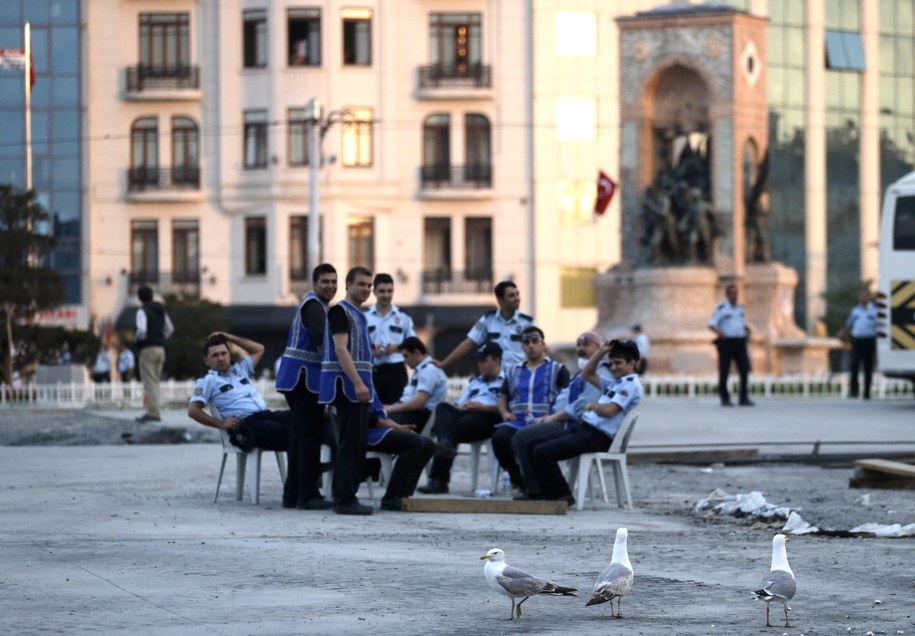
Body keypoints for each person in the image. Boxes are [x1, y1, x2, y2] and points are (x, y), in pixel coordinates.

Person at [518, 339, 643, 505]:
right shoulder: (616, 383)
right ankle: (539, 494)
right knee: (530, 445)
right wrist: (601, 352)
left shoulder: (631, 386)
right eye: (611, 364)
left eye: (618, 363)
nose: (613, 368)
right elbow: (587, 374)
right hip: (584, 430)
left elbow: (610, 411)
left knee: (542, 452)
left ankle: (563, 495)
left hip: (597, 437)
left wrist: (592, 405)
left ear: (632, 363)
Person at [510, 331, 610, 500]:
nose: (580, 348)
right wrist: (546, 415)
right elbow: (564, 396)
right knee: (523, 436)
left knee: (523, 438)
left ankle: (540, 491)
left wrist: (552, 418)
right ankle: (539, 490)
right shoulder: (582, 372)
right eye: (578, 344)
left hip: (580, 427)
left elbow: (582, 406)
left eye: (586, 343)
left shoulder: (601, 372)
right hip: (566, 421)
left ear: (599, 347)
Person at [275, 263, 338, 511]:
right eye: (325, 281)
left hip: (296, 380)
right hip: (304, 380)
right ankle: (308, 494)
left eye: (334, 282)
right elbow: (322, 343)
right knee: (309, 438)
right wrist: (332, 376)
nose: (330, 286)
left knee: (299, 437)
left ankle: (292, 494)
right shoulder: (314, 307)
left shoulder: (314, 305)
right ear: (314, 283)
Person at [319, 266, 376, 516]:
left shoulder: (358, 315)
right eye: (361, 284)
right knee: (349, 443)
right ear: (349, 284)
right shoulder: (341, 311)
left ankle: (348, 494)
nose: (366, 289)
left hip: (357, 388)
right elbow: (341, 350)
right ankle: (344, 498)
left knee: (356, 443)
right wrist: (357, 382)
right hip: (347, 387)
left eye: (368, 285)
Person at [417, 342, 506, 495]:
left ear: (497, 360)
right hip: (467, 416)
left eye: (483, 360)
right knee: (443, 408)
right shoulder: (475, 382)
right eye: (478, 361)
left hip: (490, 418)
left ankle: (438, 480)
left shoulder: (507, 380)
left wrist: (483, 407)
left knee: (448, 431)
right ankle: (445, 447)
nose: (479, 364)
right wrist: (463, 407)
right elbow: (458, 404)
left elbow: (507, 410)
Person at [491, 326, 570, 489]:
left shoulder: (558, 369)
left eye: (535, 341)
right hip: (518, 421)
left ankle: (537, 485)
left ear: (543, 344)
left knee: (528, 441)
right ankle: (519, 479)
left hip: (546, 422)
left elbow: (568, 398)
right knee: (499, 438)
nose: (531, 345)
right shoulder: (513, 370)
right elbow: (502, 397)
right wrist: (505, 413)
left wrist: (555, 417)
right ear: (522, 347)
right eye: (526, 342)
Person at [187, 333, 288, 452]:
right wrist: (221, 423)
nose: (221, 358)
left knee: (300, 418)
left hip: (265, 415)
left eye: (224, 353)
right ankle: (300, 469)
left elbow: (259, 349)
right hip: (247, 424)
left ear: (229, 355)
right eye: (215, 355)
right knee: (288, 431)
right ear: (206, 361)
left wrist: (230, 338)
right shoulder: (207, 380)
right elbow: (193, 410)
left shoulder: (240, 369)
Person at [434, 280, 535, 372]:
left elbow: (537, 348)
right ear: (500, 300)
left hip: (519, 377)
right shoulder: (488, 319)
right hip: (496, 379)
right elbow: (468, 343)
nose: (517, 298)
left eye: (517, 294)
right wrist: (444, 363)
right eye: (511, 296)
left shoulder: (527, 322)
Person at [366, 398, 435, 511]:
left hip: (379, 426)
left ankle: (403, 495)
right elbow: (368, 417)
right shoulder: (358, 384)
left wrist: (399, 427)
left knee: (428, 445)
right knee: (414, 442)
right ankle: (392, 497)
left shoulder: (368, 384)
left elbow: (382, 415)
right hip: (363, 430)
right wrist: (395, 427)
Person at [365, 273, 416, 405]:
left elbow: (413, 344)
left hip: (396, 372)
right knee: (373, 413)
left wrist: (397, 348)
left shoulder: (403, 316)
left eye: (389, 291)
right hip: (372, 371)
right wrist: (369, 350)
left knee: (395, 412)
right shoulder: (364, 316)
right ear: (374, 291)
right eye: (382, 291)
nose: (386, 295)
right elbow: (358, 344)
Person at [383, 336, 448, 434]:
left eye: (406, 356)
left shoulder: (429, 371)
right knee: (373, 416)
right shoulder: (421, 370)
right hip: (410, 413)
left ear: (416, 353)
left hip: (417, 416)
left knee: (374, 422)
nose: (404, 361)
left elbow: (417, 404)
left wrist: (390, 409)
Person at [708, 283, 753, 407]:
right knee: (724, 371)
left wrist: (747, 330)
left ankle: (743, 397)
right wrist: (720, 333)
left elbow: (741, 323)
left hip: (740, 342)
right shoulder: (721, 308)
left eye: (736, 293)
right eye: (732, 293)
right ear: (727, 295)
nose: (735, 296)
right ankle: (725, 398)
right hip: (727, 343)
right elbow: (711, 324)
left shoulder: (740, 308)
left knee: (744, 370)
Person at [134, 286, 174, 422]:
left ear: (140, 298)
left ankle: (153, 413)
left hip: (147, 349)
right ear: (152, 296)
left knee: (149, 381)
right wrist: (160, 338)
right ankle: (155, 410)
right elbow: (169, 328)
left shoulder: (142, 311)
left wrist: (136, 339)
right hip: (160, 348)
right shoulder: (161, 310)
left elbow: (142, 330)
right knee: (156, 381)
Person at [838, 288, 878, 400]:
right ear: (858, 297)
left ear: (869, 297)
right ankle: (853, 391)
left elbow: (879, 326)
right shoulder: (855, 310)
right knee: (854, 365)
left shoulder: (874, 310)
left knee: (868, 367)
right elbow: (849, 324)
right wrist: (842, 333)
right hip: (857, 341)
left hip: (869, 341)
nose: (863, 298)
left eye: (865, 295)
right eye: (861, 296)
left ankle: (866, 392)